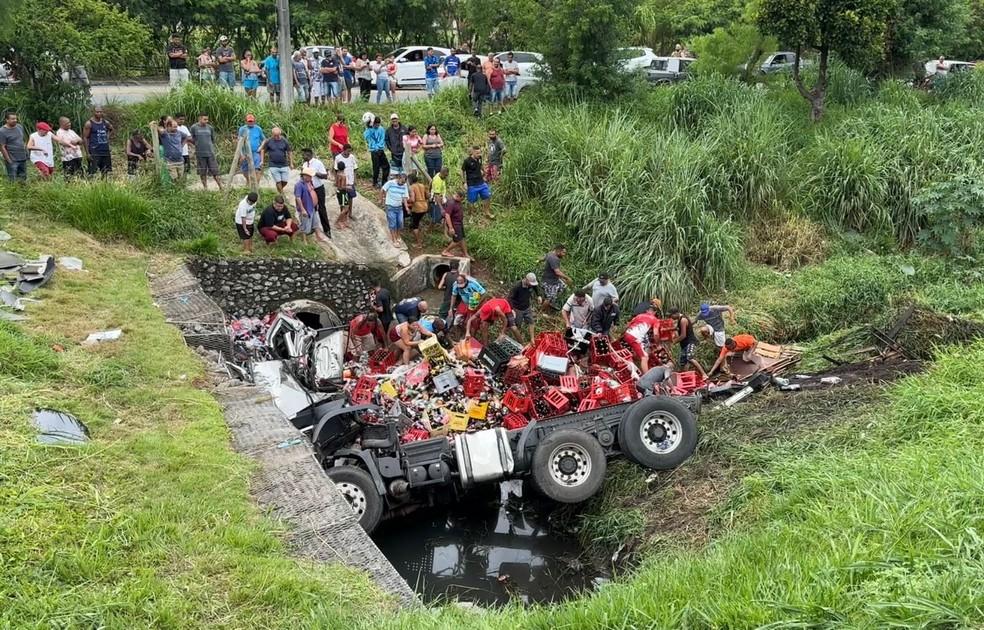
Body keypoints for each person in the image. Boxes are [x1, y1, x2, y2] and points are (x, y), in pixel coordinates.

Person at [301, 148, 330, 237]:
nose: (303, 156)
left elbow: (325, 176)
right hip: (309, 190)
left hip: (318, 188)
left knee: (321, 209)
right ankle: (311, 228)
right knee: (310, 209)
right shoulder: (304, 164)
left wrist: (314, 173)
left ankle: (327, 229)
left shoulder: (318, 163)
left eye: (304, 154)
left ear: (309, 155)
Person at [623, 307, 661, 373]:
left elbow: (627, 326)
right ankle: (647, 377)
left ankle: (634, 364)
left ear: (647, 311)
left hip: (628, 334)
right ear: (654, 313)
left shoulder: (639, 315)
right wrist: (657, 344)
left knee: (638, 352)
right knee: (645, 357)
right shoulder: (655, 320)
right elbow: (656, 334)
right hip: (635, 338)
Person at [188, 114, 222, 190]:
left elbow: (213, 140)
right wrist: (196, 145)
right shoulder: (194, 127)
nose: (206, 121)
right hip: (200, 154)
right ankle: (205, 188)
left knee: (215, 171)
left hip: (210, 153)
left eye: (207, 119)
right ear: (199, 119)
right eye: (205, 119)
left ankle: (221, 187)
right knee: (202, 172)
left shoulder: (210, 128)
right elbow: (191, 139)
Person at [670, 307, 707, 377]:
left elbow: (683, 335)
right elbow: (678, 331)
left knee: (690, 358)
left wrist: (674, 342)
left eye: (672, 315)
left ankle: (704, 374)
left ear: (676, 313)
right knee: (683, 362)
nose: (671, 317)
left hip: (690, 342)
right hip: (684, 344)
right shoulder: (680, 319)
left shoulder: (683, 320)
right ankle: (685, 377)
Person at [508, 272, 542, 341]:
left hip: (527, 307)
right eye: (531, 283)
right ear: (526, 280)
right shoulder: (517, 286)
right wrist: (511, 309)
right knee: (518, 325)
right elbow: (510, 298)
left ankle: (532, 339)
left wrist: (538, 295)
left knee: (531, 322)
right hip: (518, 308)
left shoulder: (531, 285)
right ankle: (516, 338)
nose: (531, 285)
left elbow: (535, 287)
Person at [462, 145, 493, 219]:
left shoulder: (480, 158)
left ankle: (487, 212)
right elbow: (462, 171)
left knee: (487, 196)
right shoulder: (467, 161)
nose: (479, 154)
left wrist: (484, 172)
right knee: (471, 201)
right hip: (472, 184)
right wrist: (464, 182)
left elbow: (480, 165)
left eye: (480, 153)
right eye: (477, 153)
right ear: (472, 152)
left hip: (481, 182)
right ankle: (471, 216)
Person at [294, 168, 324, 244]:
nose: (311, 177)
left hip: (312, 207)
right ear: (304, 176)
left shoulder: (310, 182)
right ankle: (304, 240)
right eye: (310, 176)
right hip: (306, 208)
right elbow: (298, 197)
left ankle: (318, 236)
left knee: (315, 222)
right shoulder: (299, 185)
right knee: (305, 224)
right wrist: (303, 209)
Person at [260, 126, 292, 192]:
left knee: (285, 181)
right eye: (275, 135)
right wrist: (262, 161)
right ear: (272, 134)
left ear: (280, 134)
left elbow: (289, 151)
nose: (276, 137)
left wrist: (291, 163)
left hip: (284, 164)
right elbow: (263, 150)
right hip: (273, 164)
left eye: (278, 135)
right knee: (278, 181)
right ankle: (281, 194)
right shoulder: (269, 141)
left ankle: (279, 191)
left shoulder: (284, 141)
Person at [83, 107, 114, 176]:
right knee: (92, 172)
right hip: (94, 151)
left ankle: (104, 185)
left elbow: (111, 129)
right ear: (93, 112)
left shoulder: (105, 122)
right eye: (97, 112)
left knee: (105, 172)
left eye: (101, 112)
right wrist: (87, 153)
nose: (99, 113)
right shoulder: (89, 123)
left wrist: (107, 137)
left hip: (105, 150)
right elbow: (85, 138)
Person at [380, 172, 409, 244]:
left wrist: (406, 207)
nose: (402, 183)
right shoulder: (390, 183)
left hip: (399, 207)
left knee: (400, 222)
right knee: (392, 223)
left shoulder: (404, 185)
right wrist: (382, 200)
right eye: (402, 182)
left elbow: (405, 197)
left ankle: (398, 236)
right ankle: (394, 239)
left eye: (404, 182)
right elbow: (382, 190)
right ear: (398, 178)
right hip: (390, 206)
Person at [540, 244, 572, 309]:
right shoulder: (554, 259)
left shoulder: (550, 253)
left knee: (563, 286)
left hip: (554, 279)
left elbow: (544, 258)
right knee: (550, 298)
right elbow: (557, 272)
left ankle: (552, 300)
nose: (564, 254)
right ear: (558, 251)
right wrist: (567, 278)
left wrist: (538, 261)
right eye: (563, 252)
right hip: (549, 282)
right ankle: (541, 311)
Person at [237, 114, 265, 188]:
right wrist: (241, 154)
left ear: (254, 121)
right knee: (245, 170)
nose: (251, 123)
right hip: (245, 152)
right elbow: (239, 142)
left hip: (255, 152)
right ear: (246, 121)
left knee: (257, 169)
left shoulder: (258, 129)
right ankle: (248, 181)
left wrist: (261, 146)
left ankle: (256, 185)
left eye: (252, 121)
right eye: (249, 121)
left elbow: (264, 140)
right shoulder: (242, 129)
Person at [440, 191, 469, 259]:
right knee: (457, 240)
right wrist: (450, 227)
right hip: (454, 224)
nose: (456, 197)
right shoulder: (451, 203)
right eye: (457, 196)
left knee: (462, 239)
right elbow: (447, 215)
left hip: (459, 223)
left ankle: (465, 254)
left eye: (459, 197)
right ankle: (445, 251)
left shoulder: (458, 202)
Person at [0, 112, 27, 182]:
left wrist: (24, 147)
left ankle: (23, 192)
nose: (15, 120)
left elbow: (23, 139)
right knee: (13, 180)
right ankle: (14, 192)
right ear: (7, 120)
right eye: (12, 119)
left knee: (23, 178)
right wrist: (8, 160)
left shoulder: (19, 127)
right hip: (12, 159)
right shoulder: (2, 131)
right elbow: (2, 147)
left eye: (16, 118)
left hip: (22, 158)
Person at [334, 143, 358, 222]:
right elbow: (335, 170)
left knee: (350, 198)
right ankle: (342, 216)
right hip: (343, 184)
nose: (349, 153)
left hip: (350, 181)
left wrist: (354, 179)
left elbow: (355, 168)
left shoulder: (351, 157)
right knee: (343, 201)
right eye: (348, 151)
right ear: (343, 150)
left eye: (350, 151)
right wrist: (336, 181)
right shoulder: (338, 158)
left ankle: (350, 213)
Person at [364, 116, 389, 187]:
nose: (377, 126)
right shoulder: (369, 130)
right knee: (376, 167)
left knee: (386, 166)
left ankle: (384, 181)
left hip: (380, 149)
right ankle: (375, 182)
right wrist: (369, 127)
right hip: (374, 151)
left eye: (378, 124)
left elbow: (382, 139)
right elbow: (368, 139)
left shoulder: (381, 129)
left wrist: (379, 147)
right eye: (376, 124)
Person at [408, 174, 430, 249]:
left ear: (410, 180)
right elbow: (427, 196)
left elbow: (413, 199)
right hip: (424, 206)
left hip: (417, 208)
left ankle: (418, 243)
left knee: (415, 225)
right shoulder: (422, 185)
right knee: (416, 223)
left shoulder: (412, 187)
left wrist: (405, 200)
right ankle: (419, 240)